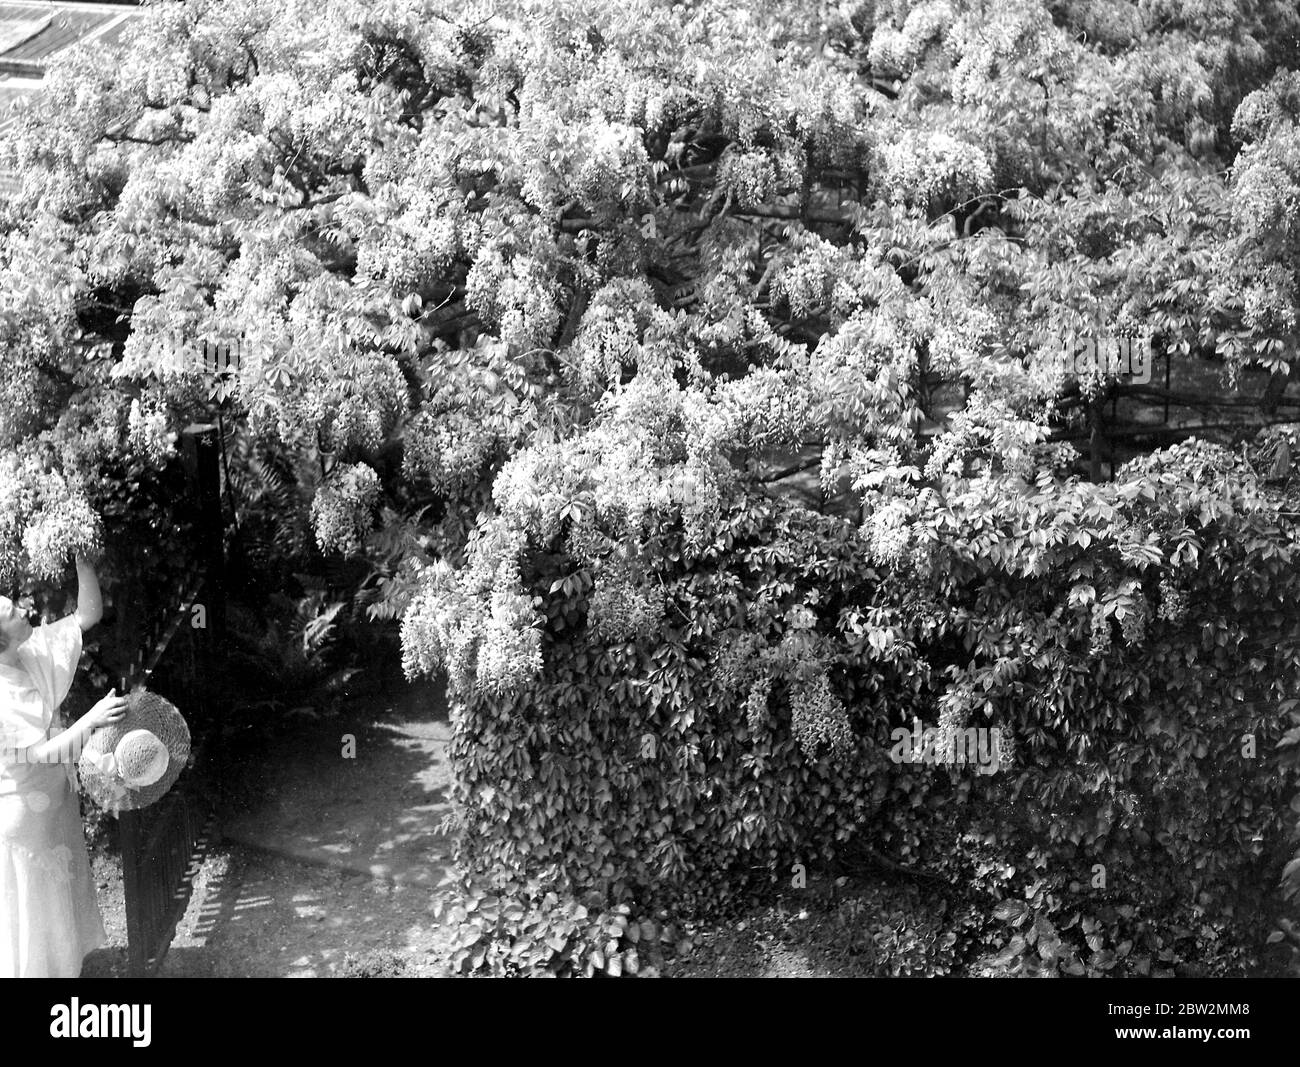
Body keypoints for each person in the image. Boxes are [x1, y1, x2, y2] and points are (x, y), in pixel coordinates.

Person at [0, 554, 126, 978]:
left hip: (54, 801)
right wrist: (92, 719)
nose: (23, 608)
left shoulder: (29, 651)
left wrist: (82, 556)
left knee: (56, 907)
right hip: (23, 817)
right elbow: (41, 753)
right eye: (13, 612)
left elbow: (88, 615)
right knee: (33, 917)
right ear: (0, 639)